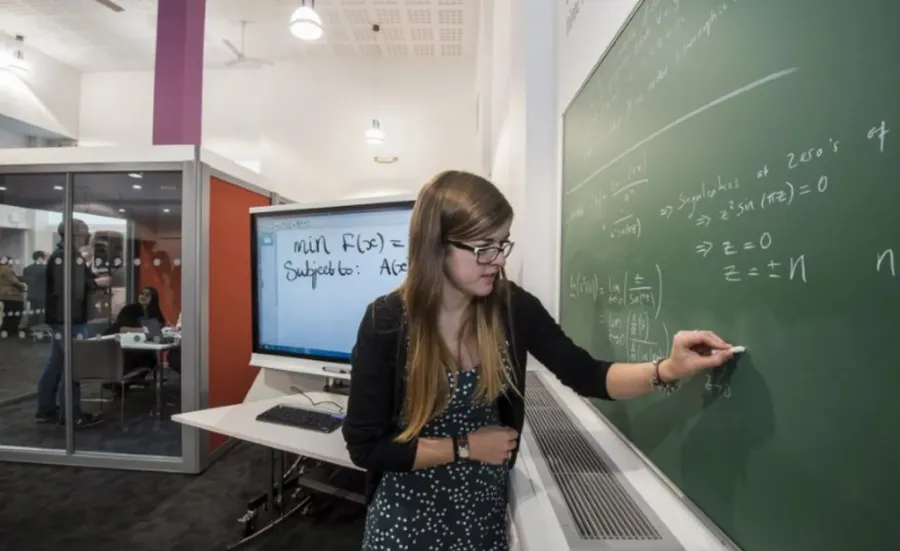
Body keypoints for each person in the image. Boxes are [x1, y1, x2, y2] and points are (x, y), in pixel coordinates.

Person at [342, 171, 735, 551]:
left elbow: (588, 375)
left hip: (482, 519)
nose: (497, 259)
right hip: (405, 521)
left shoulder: (512, 307)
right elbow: (366, 447)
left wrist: (667, 369)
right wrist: (464, 447)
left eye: (503, 243)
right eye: (483, 248)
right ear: (436, 247)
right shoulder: (386, 323)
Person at [35, 219, 109, 428]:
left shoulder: (66, 255)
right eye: (85, 230)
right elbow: (73, 290)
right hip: (70, 320)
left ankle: (47, 409)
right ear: (74, 233)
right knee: (74, 367)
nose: (88, 234)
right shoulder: (67, 256)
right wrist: (96, 283)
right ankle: (71, 414)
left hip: (63, 319)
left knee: (57, 364)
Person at [101, 286, 167, 394]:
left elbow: (160, 325)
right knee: (132, 357)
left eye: (147, 295)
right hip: (121, 345)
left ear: (153, 298)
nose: (143, 297)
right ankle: (119, 383)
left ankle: (131, 381)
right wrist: (143, 330)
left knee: (150, 359)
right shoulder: (130, 309)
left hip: (142, 346)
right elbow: (122, 328)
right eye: (141, 294)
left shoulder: (154, 311)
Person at [0, 256, 26, 336]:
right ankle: (12, 330)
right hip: (12, 295)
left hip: (3, 294)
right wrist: (23, 286)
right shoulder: (7, 270)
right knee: (16, 311)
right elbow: (14, 281)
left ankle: (6, 329)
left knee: (7, 312)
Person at [23, 251, 47, 328]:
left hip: (32, 294)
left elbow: (26, 281)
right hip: (43, 294)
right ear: (41, 258)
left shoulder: (27, 269)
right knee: (41, 313)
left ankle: (32, 328)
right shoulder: (46, 269)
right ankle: (40, 330)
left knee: (33, 311)